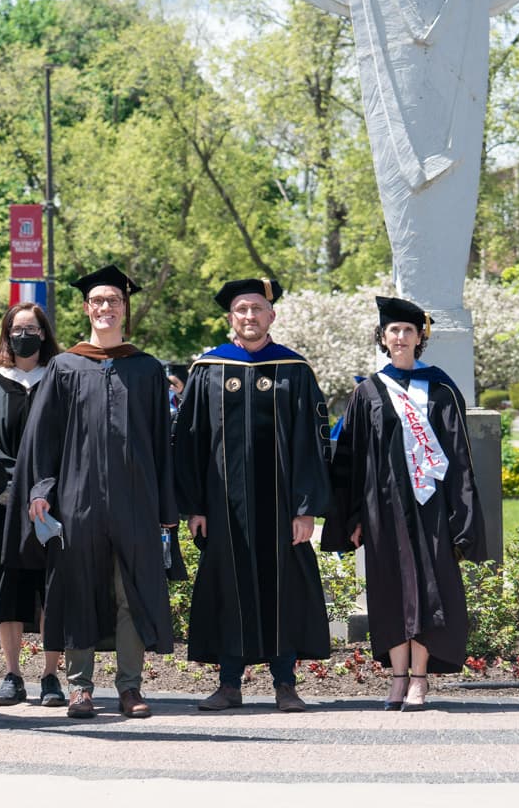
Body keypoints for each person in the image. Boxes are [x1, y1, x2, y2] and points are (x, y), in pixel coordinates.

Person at [245, 0, 519, 395]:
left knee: (441, 245)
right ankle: (423, 309)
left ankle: (435, 311)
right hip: (409, 148)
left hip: (450, 149)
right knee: (412, 240)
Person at [8, 265, 179, 720]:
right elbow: (43, 436)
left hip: (135, 498)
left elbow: (163, 441)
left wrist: (166, 507)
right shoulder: (65, 366)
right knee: (77, 587)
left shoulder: (145, 369)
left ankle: (129, 687)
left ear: (125, 309)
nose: (105, 308)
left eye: (114, 302)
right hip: (78, 497)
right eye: (98, 302)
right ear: (87, 308)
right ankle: (80, 687)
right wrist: (42, 489)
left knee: (132, 592)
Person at [173, 277, 332, 714]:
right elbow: (190, 442)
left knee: (283, 589)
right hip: (223, 508)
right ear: (231, 318)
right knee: (228, 588)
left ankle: (285, 683)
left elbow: (311, 444)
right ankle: (229, 684)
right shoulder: (207, 370)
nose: (249, 317)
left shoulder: (295, 370)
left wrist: (306, 508)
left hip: (281, 508)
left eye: (257, 309)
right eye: (241, 310)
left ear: (271, 316)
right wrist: (195, 507)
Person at [324, 296, 484, 712]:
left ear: (420, 338)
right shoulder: (368, 392)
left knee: (428, 592)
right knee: (390, 589)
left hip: (430, 510)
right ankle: (396, 677)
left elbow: (460, 459)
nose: (399, 337)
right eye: (392, 330)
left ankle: (419, 679)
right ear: (382, 337)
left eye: (407, 331)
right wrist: (352, 517)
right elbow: (351, 460)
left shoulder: (442, 390)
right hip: (383, 510)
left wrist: (460, 519)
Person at [0, 301, 66, 708]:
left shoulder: (62, 379)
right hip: (4, 505)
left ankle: (50, 676)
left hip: (53, 504)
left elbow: (69, 439)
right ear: (7, 335)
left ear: (44, 334)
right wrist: (13, 487)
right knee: (8, 590)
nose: (24, 334)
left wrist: (45, 490)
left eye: (31, 328)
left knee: (52, 590)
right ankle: (12, 674)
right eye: (17, 328)